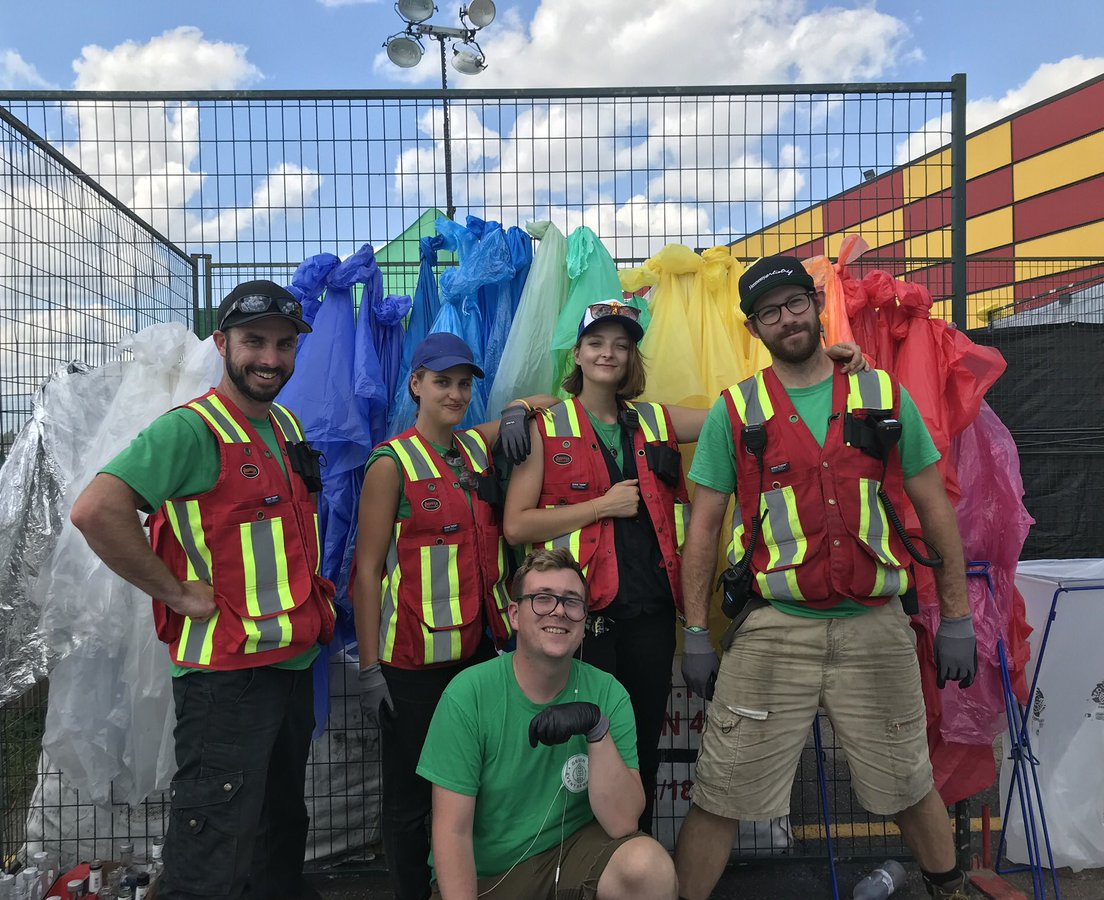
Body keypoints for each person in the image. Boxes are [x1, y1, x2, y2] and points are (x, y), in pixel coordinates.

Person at [673, 256, 978, 900]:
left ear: (815, 304)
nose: (785, 320)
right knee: (722, 790)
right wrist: (697, 628)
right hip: (773, 629)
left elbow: (933, 506)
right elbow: (702, 528)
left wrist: (956, 617)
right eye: (767, 313)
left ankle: (948, 888)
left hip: (876, 627)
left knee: (909, 783)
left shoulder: (884, 396)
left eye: (794, 304)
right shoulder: (738, 411)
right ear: (753, 329)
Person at [503, 299, 867, 832]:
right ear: (577, 353)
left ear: (632, 358)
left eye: (622, 345)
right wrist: (600, 505)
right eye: (597, 343)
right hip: (580, 626)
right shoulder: (545, 425)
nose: (609, 353)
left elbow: (745, 409)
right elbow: (516, 525)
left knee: (637, 752)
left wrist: (821, 365)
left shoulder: (656, 420)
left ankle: (633, 862)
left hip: (649, 620)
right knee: (570, 757)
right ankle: (571, 869)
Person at [71, 280, 333, 900]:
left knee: (276, 830)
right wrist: (177, 592)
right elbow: (96, 511)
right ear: (221, 344)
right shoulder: (191, 431)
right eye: (253, 342)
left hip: (289, 664)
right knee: (214, 844)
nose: (269, 358)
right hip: (227, 682)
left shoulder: (284, 424)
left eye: (283, 344)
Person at [352, 332, 550, 900]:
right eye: (442, 381)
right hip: (411, 665)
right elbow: (365, 571)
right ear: (415, 385)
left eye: (464, 384)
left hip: (479, 657)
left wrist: (515, 408)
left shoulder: (475, 450)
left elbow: (551, 403)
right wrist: (370, 668)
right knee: (413, 799)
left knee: (475, 787)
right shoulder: (391, 465)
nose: (456, 393)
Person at [418, 547, 678, 900]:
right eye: (542, 598)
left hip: (569, 858)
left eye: (572, 602)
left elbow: (623, 823)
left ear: (584, 621)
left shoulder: (607, 693)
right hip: (486, 877)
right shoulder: (468, 694)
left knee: (649, 868)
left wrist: (596, 728)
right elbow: (452, 831)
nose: (558, 610)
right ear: (514, 614)